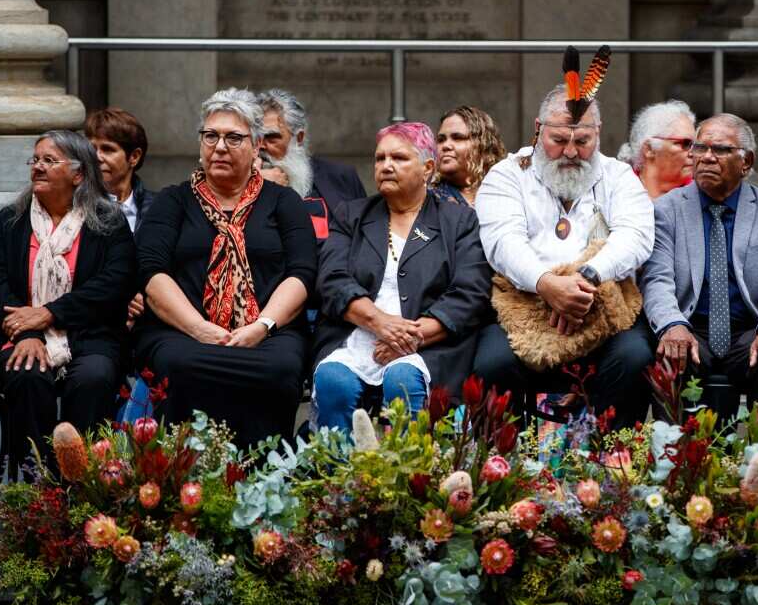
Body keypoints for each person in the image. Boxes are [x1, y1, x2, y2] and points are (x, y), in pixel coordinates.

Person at [135, 88, 316, 447]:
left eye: (233, 137)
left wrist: (261, 326)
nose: (219, 146)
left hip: (268, 334)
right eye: (210, 135)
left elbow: (302, 273)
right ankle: (181, 474)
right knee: (179, 364)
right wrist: (199, 328)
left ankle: (266, 475)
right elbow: (152, 275)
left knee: (280, 369)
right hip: (183, 332)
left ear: (256, 146)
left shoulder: (284, 202)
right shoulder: (173, 201)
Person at [474, 84, 654, 428]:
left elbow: (636, 236)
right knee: (492, 363)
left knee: (635, 356)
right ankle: (505, 467)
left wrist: (585, 281)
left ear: (597, 135)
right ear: (539, 129)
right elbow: (503, 242)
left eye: (582, 142)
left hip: (600, 304)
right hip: (523, 306)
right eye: (559, 140)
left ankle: (615, 465)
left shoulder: (618, 177)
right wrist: (547, 286)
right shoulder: (507, 175)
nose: (570, 151)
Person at [0, 130, 136, 479]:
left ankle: (82, 484)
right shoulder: (10, 222)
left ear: (78, 174)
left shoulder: (107, 222)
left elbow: (114, 285)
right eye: (35, 160)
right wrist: (25, 333)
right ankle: (39, 487)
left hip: (89, 335)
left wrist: (49, 313)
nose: (38, 167)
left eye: (49, 160)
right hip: (16, 336)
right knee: (27, 374)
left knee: (93, 378)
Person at [312, 122, 491, 429]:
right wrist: (381, 323)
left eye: (399, 158)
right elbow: (332, 280)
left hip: (430, 344)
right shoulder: (351, 215)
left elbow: (470, 292)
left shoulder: (459, 222)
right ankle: (337, 476)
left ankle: (408, 476)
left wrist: (409, 338)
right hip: (357, 335)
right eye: (380, 159)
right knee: (333, 382)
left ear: (428, 168)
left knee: (403, 381)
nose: (386, 166)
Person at [639, 113, 758, 419]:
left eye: (721, 150)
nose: (707, 158)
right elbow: (657, 279)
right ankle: (674, 459)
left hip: (749, 328)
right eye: (699, 148)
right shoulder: (666, 210)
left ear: (746, 162)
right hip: (690, 326)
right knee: (670, 354)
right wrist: (672, 325)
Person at [257, 89, 367, 240]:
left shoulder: (341, 177)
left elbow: (363, 240)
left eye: (271, 137)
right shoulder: (237, 184)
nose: (260, 146)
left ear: (299, 138)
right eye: (255, 138)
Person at [84, 107, 156, 233]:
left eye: (107, 149)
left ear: (134, 157)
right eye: (91, 149)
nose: (96, 157)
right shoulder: (76, 207)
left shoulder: (158, 207)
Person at [430, 105, 507, 206]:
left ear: (482, 145)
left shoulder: (505, 193)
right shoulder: (427, 201)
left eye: (457, 138)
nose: (445, 146)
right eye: (441, 140)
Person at [625, 100, 697, 200]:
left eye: (696, 145)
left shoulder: (701, 195)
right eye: (686, 144)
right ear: (649, 149)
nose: (694, 153)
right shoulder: (617, 191)